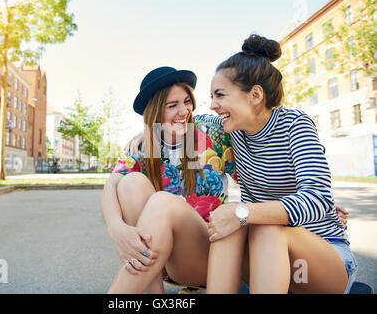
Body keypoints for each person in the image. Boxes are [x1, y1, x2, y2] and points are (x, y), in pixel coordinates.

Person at [205, 34, 358, 293]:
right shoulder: (229, 129)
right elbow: (176, 127)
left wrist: (243, 213)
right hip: (266, 260)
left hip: (320, 258)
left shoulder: (294, 124)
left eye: (220, 95)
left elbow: (318, 198)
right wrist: (145, 134)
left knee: (259, 224)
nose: (212, 105)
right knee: (228, 225)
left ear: (255, 95)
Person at [100, 66, 236, 293]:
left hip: (208, 257)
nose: (184, 111)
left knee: (162, 201)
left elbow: (251, 181)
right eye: (172, 106)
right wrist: (117, 229)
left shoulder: (213, 136)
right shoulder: (144, 145)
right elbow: (111, 184)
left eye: (187, 101)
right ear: (154, 112)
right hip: (163, 261)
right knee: (130, 183)